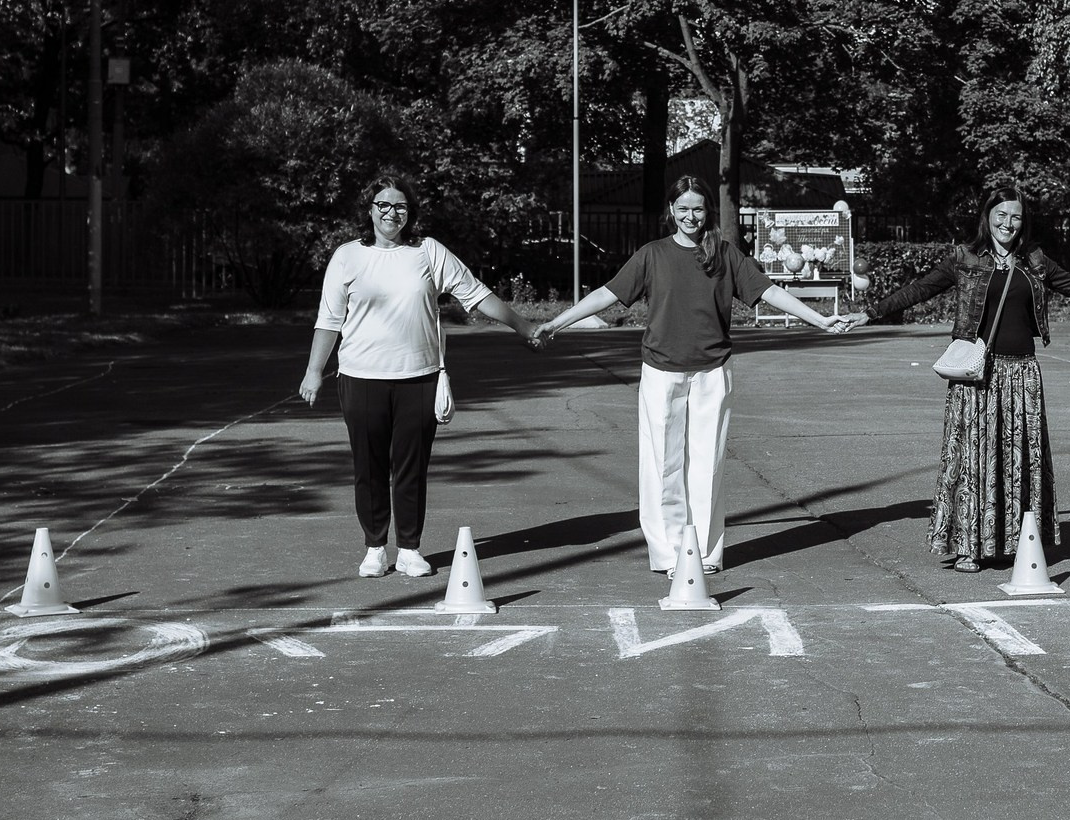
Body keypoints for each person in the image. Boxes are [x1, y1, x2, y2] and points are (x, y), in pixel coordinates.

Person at [531, 177, 853, 574]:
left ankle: (703, 554)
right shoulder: (652, 255)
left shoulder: (725, 254)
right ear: (671, 211)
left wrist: (820, 320)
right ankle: (669, 554)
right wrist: (557, 323)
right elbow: (607, 294)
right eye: (682, 208)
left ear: (707, 212)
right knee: (662, 465)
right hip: (661, 372)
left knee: (707, 466)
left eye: (697, 208)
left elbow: (768, 292)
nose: (690, 216)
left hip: (713, 372)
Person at [845, 191, 1070, 573]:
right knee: (971, 461)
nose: (1008, 224)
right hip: (977, 376)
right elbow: (919, 290)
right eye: (1001, 215)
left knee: (1018, 462)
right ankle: (968, 546)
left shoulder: (1034, 261)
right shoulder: (964, 259)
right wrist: (869, 314)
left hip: (1022, 377)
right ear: (988, 217)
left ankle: (1017, 542)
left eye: (1015, 217)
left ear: (1023, 221)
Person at [299, 181, 539, 579]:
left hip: (418, 377)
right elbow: (329, 319)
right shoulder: (347, 256)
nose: (391, 214)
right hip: (360, 377)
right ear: (370, 209)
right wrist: (313, 371)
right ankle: (375, 547)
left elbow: (475, 295)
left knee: (411, 466)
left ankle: (409, 548)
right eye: (383, 205)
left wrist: (522, 325)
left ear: (410, 213)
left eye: (401, 207)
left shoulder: (428, 251)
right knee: (369, 466)